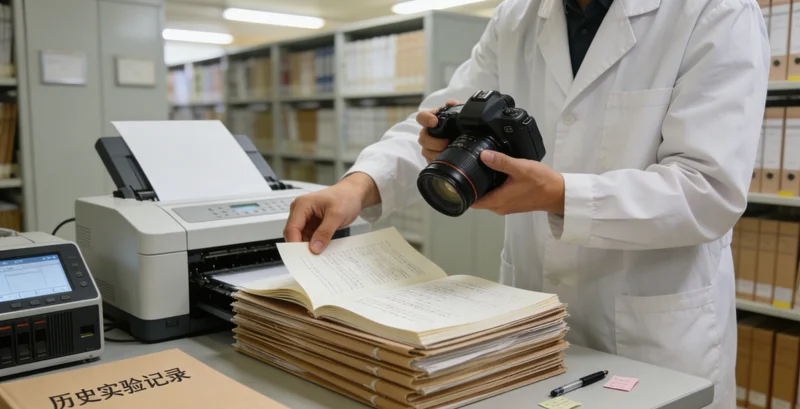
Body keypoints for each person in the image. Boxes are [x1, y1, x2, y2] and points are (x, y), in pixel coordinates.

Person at [283, 0, 769, 407]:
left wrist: (560, 195)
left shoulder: (716, 11)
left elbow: (708, 189)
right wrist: (358, 186)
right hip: (530, 329)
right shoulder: (518, 16)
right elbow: (443, 120)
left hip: (652, 333)